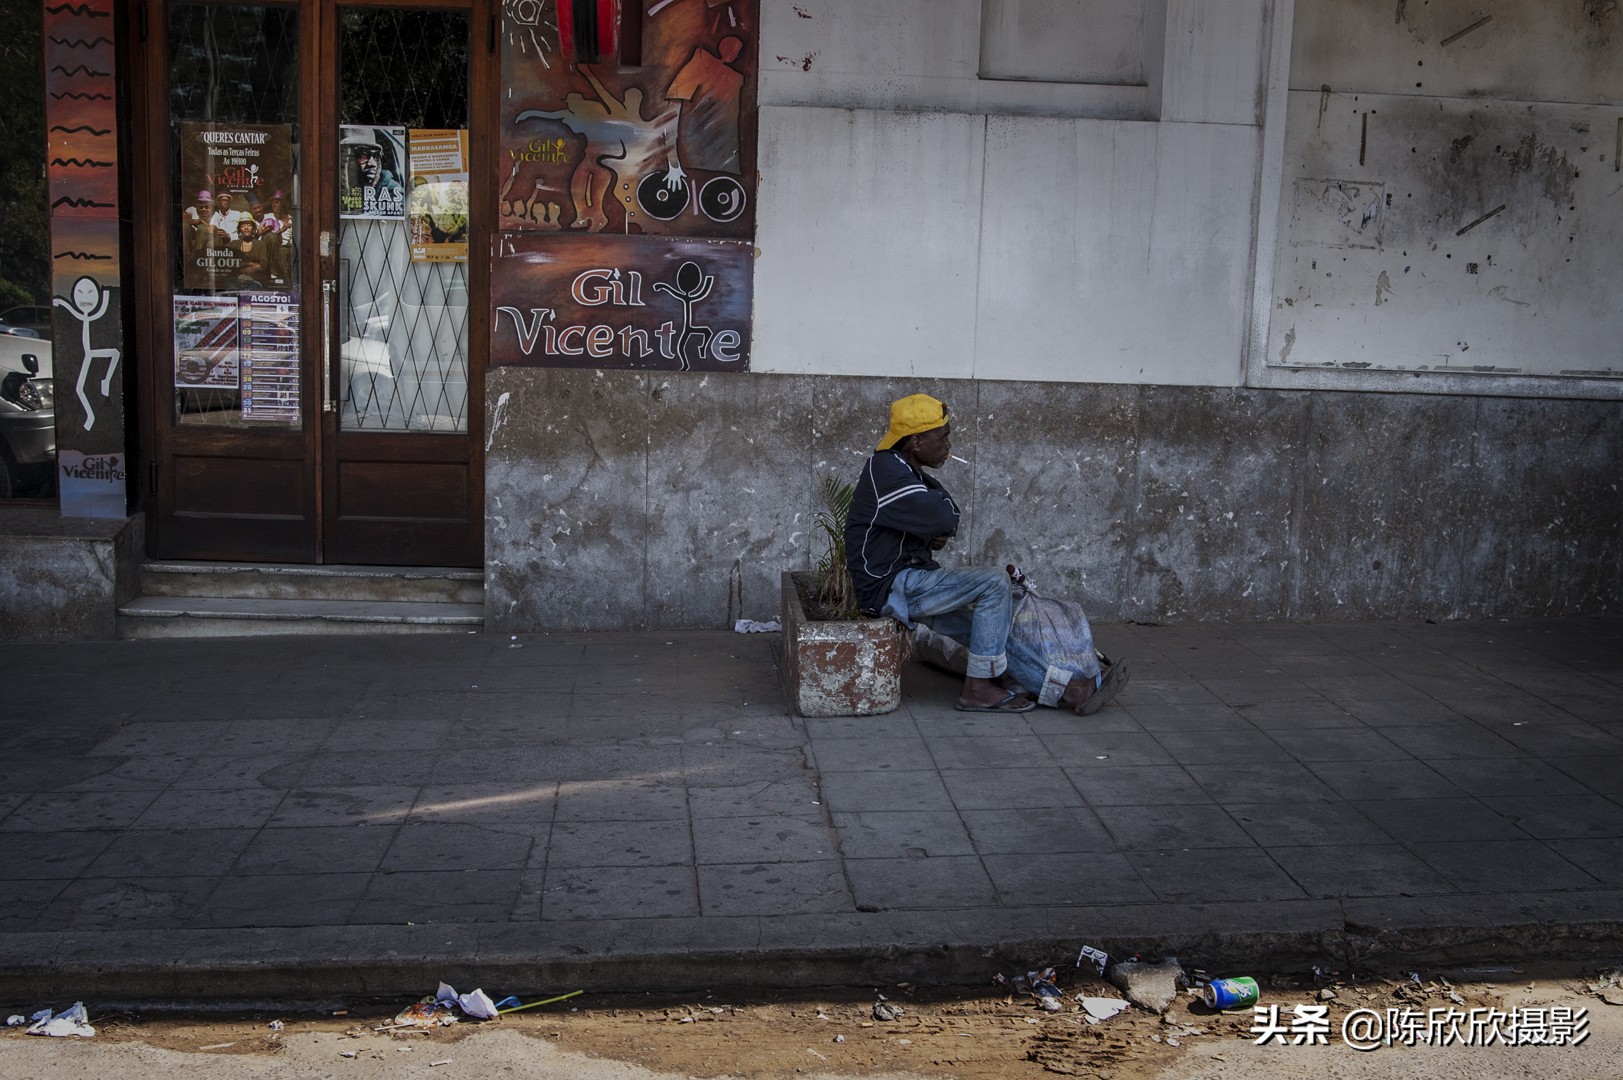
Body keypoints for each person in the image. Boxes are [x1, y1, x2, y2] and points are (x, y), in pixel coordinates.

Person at [845, 393, 1129, 715]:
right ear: (916, 440)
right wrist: (930, 526)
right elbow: (944, 517)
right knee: (994, 582)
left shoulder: (907, 471)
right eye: (944, 436)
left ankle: (1070, 691)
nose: (948, 445)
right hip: (890, 585)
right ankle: (978, 689)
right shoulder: (886, 468)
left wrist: (930, 524)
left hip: (908, 580)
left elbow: (946, 510)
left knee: (991, 631)